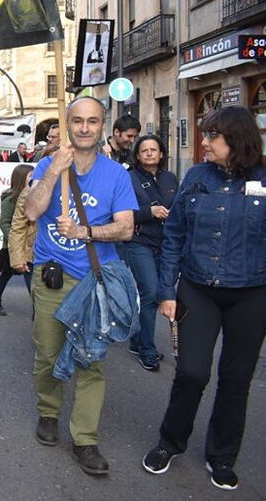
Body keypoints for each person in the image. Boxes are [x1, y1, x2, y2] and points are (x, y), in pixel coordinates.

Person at [142, 107, 266, 492]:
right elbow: (174, 235)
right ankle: (170, 441)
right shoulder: (196, 177)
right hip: (197, 288)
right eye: (205, 135)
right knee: (192, 372)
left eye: (213, 136)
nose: (205, 143)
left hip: (252, 294)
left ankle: (222, 456)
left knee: (236, 378)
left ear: (238, 140)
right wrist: (167, 292)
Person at [24, 96, 137, 476]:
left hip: (94, 280)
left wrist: (85, 231)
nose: (85, 127)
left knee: (92, 361)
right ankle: (48, 412)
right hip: (51, 277)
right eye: (78, 121)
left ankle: (85, 438)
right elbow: (31, 211)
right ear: (67, 124)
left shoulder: (117, 175)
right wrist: (55, 169)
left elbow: (125, 228)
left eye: (92, 121)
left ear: (102, 125)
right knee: (48, 354)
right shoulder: (47, 164)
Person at [124, 135, 178, 372]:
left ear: (161, 154)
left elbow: (180, 208)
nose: (148, 153)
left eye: (153, 149)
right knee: (151, 293)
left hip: (166, 245)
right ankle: (147, 349)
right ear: (137, 155)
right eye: (144, 150)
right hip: (139, 243)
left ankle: (137, 339)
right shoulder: (129, 178)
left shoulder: (170, 178)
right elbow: (121, 213)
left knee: (154, 294)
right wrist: (149, 211)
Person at [0, 164, 34, 315]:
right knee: (7, 274)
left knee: (31, 276)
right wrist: (15, 241)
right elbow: (4, 223)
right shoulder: (10, 199)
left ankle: (38, 311)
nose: (34, 178)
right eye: (30, 176)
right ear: (22, 178)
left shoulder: (34, 196)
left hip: (29, 246)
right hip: (12, 245)